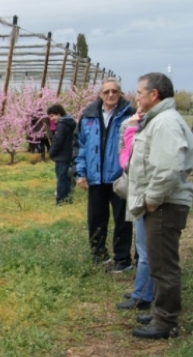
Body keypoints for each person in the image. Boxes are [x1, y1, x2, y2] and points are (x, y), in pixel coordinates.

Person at [127, 73, 193, 339]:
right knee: (158, 262)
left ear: (154, 94)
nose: (137, 97)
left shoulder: (164, 122)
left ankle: (165, 322)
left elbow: (167, 168)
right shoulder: (158, 120)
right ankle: (160, 312)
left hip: (164, 205)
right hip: (162, 203)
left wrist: (152, 199)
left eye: (140, 92)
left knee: (164, 265)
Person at [73, 79, 135, 271]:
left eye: (114, 91)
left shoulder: (130, 115)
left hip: (119, 177)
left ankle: (122, 259)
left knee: (123, 221)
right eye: (106, 91)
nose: (110, 95)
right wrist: (80, 173)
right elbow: (80, 147)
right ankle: (99, 255)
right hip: (95, 177)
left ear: (120, 94)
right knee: (96, 219)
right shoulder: (88, 116)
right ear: (100, 94)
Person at [115, 110, 154, 311]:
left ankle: (143, 295)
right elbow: (125, 153)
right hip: (136, 189)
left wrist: (132, 129)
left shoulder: (156, 126)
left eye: (141, 96)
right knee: (142, 245)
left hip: (148, 193)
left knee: (147, 249)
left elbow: (136, 157)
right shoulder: (131, 124)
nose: (139, 106)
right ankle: (142, 291)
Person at [47, 104, 76, 205]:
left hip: (62, 155)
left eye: (52, 116)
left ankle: (61, 200)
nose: (51, 119)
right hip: (69, 154)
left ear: (58, 114)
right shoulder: (70, 122)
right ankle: (68, 198)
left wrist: (51, 153)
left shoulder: (61, 125)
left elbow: (58, 141)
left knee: (61, 178)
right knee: (67, 177)